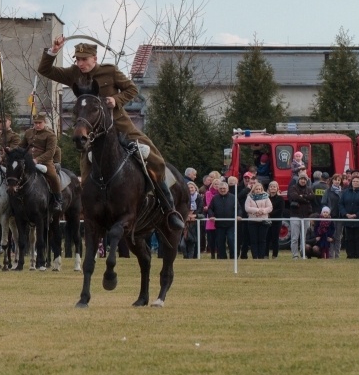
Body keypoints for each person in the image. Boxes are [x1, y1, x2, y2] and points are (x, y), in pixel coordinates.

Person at [38, 37, 183, 230]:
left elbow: (131, 89)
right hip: (91, 133)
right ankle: (92, 212)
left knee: (155, 158)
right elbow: (45, 70)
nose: (80, 63)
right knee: (87, 171)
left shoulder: (110, 71)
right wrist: (53, 51)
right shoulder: (73, 74)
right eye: (77, 59)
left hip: (119, 124)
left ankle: (169, 207)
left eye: (84, 59)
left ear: (94, 58)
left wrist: (116, 99)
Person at [20, 112, 62, 211]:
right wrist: (12, 152)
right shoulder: (28, 132)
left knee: (53, 177)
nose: (37, 125)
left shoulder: (50, 135)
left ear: (44, 122)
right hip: (28, 161)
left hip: (45, 162)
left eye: (40, 123)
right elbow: (22, 146)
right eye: (35, 123)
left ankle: (58, 200)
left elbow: (50, 152)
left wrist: (37, 160)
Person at [339, 175, 359, 259]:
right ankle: (350, 255)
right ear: (351, 182)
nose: (355, 183)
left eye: (357, 181)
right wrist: (346, 214)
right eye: (354, 181)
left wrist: (356, 215)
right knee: (349, 239)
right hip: (348, 221)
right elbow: (341, 204)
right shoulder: (345, 192)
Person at [288, 173, 315, 260]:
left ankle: (303, 254)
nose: (303, 181)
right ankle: (295, 255)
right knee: (295, 237)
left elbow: (312, 197)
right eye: (301, 179)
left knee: (304, 237)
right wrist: (306, 199)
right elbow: (294, 196)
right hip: (295, 215)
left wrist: (302, 196)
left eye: (304, 179)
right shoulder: (293, 188)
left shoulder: (309, 189)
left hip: (306, 216)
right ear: (298, 179)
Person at [208, 181, 236, 259]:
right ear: (218, 189)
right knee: (220, 241)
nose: (222, 190)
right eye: (221, 188)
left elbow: (238, 208)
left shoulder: (233, 197)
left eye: (224, 188)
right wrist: (211, 216)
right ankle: (222, 257)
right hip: (219, 224)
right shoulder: (215, 198)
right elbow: (210, 209)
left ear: (227, 189)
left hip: (230, 224)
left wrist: (238, 215)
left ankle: (233, 257)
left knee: (231, 240)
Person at [244, 182, 273, 260]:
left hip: (263, 221)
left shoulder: (266, 197)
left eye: (259, 189)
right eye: (256, 189)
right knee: (253, 240)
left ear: (262, 189)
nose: (258, 190)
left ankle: (261, 257)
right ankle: (255, 256)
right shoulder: (249, 197)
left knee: (262, 240)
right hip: (252, 221)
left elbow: (270, 207)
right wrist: (257, 210)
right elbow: (247, 208)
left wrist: (262, 211)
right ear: (253, 189)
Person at [321, 174, 344, 259]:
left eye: (339, 180)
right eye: (335, 180)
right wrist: (326, 213)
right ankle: (330, 255)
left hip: (340, 217)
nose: (337, 181)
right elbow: (323, 203)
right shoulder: (327, 191)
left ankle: (337, 256)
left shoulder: (343, 192)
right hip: (331, 217)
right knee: (330, 236)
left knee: (338, 237)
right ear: (332, 181)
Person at [266, 181, 285, 259]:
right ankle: (265, 255)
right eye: (271, 186)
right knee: (266, 238)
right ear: (268, 188)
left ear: (277, 188)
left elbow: (280, 210)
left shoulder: (280, 199)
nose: (273, 188)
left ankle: (275, 255)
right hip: (267, 221)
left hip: (276, 221)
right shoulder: (266, 198)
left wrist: (269, 213)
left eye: (274, 186)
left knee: (275, 239)